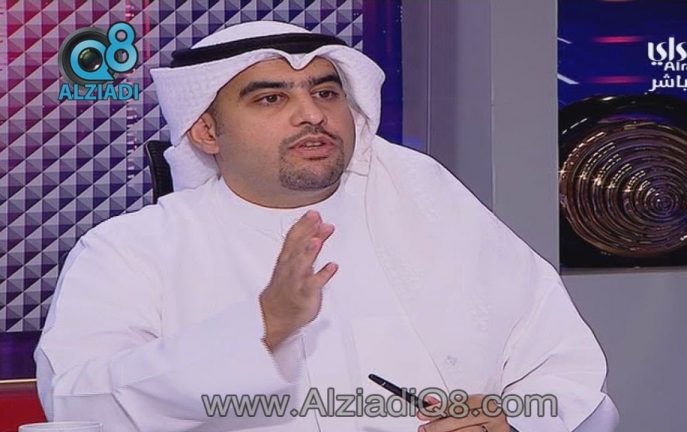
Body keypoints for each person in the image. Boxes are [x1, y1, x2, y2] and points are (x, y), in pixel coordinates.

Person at [35, 21, 619, 432]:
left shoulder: (430, 204)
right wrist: (263, 327)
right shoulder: (130, 251)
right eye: (270, 99)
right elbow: (78, 403)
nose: (312, 113)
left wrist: (510, 424)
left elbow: (571, 380)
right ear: (207, 132)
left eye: (325, 91)